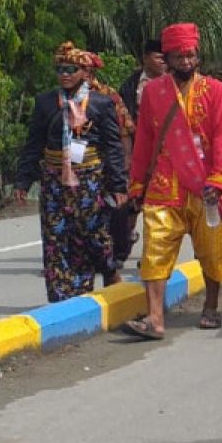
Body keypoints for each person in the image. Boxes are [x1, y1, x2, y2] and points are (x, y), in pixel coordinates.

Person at [123, 22, 222, 340]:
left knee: (212, 252)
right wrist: (137, 184)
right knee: (154, 250)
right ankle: (155, 318)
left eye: (190, 55)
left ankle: (211, 306)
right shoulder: (154, 92)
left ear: (197, 55)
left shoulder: (215, 90)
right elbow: (144, 140)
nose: (186, 61)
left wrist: (217, 178)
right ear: (167, 58)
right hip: (163, 185)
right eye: (179, 56)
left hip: (205, 188)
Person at [13, 42, 127, 302]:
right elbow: (34, 144)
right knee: (56, 235)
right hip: (54, 180)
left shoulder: (101, 103)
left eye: (71, 69)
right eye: (61, 69)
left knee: (91, 234)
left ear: (84, 72)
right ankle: (62, 296)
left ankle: (107, 273)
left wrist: (119, 185)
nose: (65, 74)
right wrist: (23, 179)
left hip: (90, 179)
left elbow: (112, 147)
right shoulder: (45, 103)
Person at [80, 53, 137, 285]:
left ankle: (113, 263)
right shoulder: (60, 98)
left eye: (77, 68)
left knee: (110, 214)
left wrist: (123, 165)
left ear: (89, 72)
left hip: (104, 165)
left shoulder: (107, 96)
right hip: (72, 169)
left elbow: (123, 133)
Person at [119, 40, 166, 126]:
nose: (163, 61)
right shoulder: (130, 85)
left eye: (165, 58)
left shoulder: (174, 83)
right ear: (145, 58)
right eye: (158, 57)